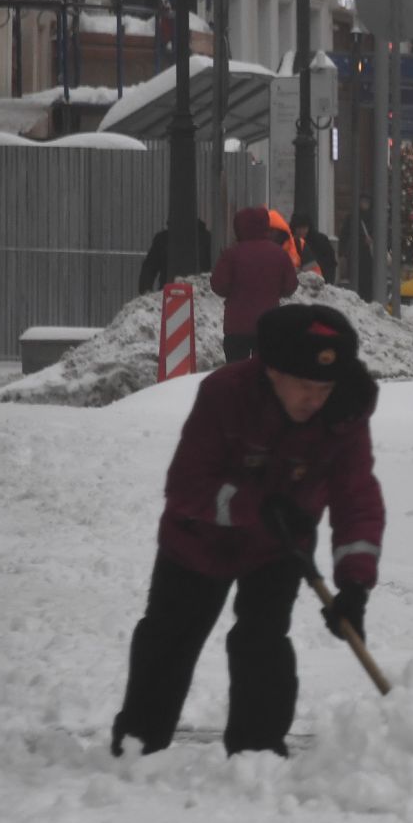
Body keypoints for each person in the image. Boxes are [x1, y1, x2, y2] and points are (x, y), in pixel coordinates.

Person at [110, 303, 384, 758]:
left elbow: (356, 497)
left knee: (263, 642)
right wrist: (255, 507)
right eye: (304, 386)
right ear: (272, 372)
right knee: (170, 639)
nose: (315, 400)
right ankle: (141, 739)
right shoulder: (226, 394)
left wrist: (355, 584)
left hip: (279, 547)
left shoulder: (344, 413)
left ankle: (258, 750)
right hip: (197, 542)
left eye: (324, 387)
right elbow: (187, 487)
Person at [211, 207, 298, 362]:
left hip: (236, 328)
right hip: (268, 327)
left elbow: (219, 286)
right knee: (264, 374)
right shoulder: (279, 254)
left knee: (237, 375)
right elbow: (290, 286)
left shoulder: (231, 255)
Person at [137, 220, 213, 293]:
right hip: (198, 293)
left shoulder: (164, 239)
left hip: (170, 293)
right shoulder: (206, 238)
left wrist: (146, 291)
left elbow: (149, 267)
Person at [294, 212, 338, 285]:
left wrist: (328, 283)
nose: (301, 231)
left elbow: (331, 263)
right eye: (299, 228)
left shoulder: (320, 240)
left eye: (304, 228)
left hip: (321, 280)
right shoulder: (292, 242)